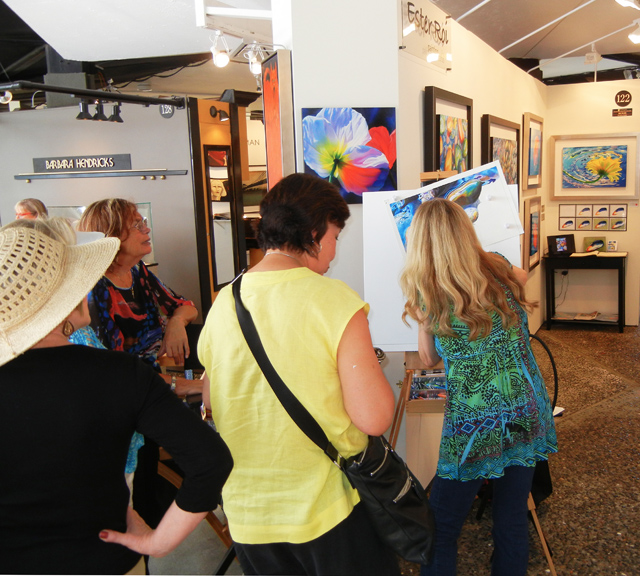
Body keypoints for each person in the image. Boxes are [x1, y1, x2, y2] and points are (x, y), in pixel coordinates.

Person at [198, 173, 401, 576]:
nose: (334, 251)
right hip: (324, 507)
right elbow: (374, 417)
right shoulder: (334, 300)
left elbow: (211, 401)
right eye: (335, 237)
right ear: (314, 233)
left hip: (248, 512)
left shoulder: (225, 301)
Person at [0, 223, 233, 575]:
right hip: (107, 560)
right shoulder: (120, 373)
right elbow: (210, 461)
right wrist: (160, 542)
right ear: (65, 295)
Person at [399, 199, 558, 576]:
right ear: (465, 231)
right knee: (511, 514)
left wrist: (423, 316)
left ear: (420, 244)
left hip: (476, 422)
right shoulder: (499, 265)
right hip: (525, 405)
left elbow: (428, 359)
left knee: (442, 526)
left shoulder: (428, 293)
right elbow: (522, 276)